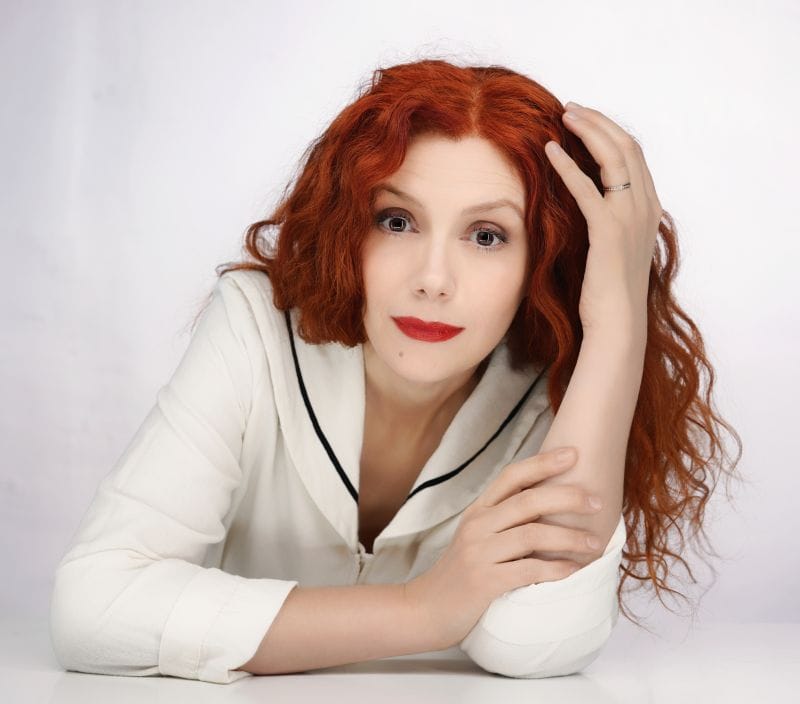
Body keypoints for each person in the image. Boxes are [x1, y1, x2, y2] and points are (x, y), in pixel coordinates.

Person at [49, 59, 742, 683]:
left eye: (487, 236)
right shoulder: (256, 326)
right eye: (398, 221)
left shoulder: (557, 388)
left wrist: (617, 323)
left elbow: (538, 642)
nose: (433, 279)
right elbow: (95, 605)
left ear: (545, 259)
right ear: (349, 225)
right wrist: (423, 610)